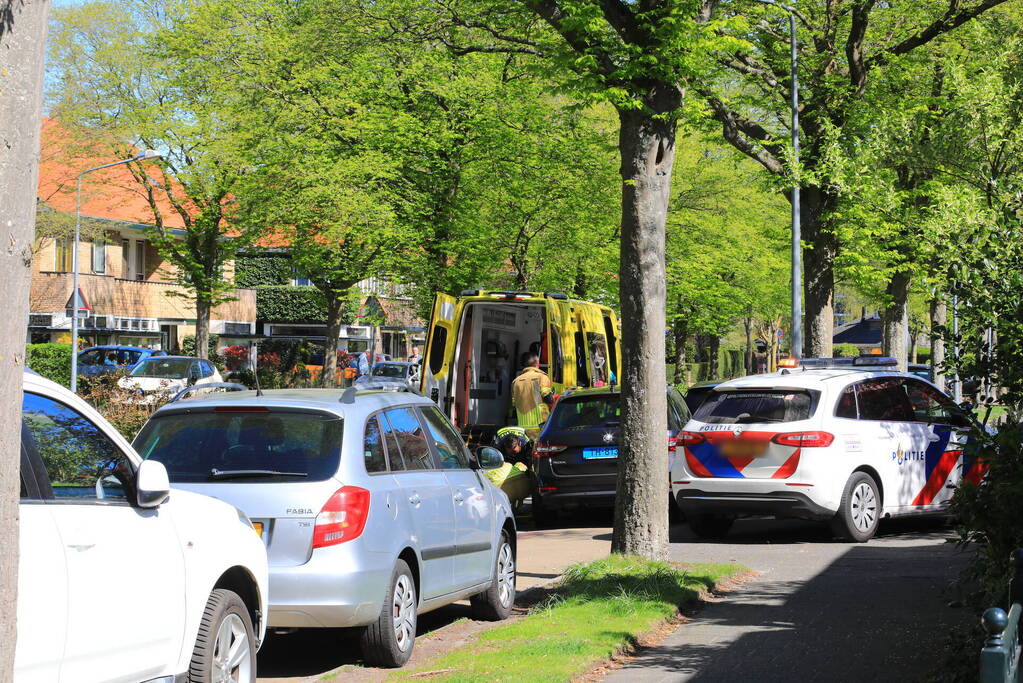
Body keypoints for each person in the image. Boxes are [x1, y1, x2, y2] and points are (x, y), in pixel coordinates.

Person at [511, 353, 554, 440]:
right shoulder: (541, 377)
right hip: (541, 427)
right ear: (537, 363)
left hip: (523, 430)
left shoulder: (516, 382)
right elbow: (548, 398)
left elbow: (514, 404)